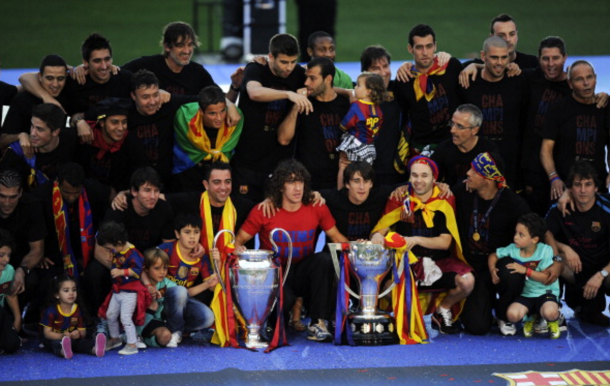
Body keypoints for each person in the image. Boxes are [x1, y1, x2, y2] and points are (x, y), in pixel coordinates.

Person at [235, 159, 348, 342]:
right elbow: (237, 241)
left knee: (324, 260)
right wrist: (236, 250)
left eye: (300, 181)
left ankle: (318, 322)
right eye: (291, 182)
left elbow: (336, 238)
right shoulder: (265, 210)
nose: (297, 188)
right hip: (276, 275)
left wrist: (363, 248)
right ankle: (272, 321)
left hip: (303, 272)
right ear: (280, 186)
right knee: (285, 300)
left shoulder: (316, 206)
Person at [455, 152, 562, 335]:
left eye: (474, 171)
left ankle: (504, 314)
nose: (468, 174)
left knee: (512, 270)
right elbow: (434, 193)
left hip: (500, 261)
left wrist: (557, 260)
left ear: (488, 179)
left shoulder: (512, 202)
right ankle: (488, 304)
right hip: (469, 266)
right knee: (477, 327)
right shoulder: (462, 191)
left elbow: (541, 231)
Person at [371, 156, 474, 334]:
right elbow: (378, 232)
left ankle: (443, 309)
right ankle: (406, 313)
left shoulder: (444, 198)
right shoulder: (399, 197)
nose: (419, 181)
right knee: (386, 286)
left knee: (467, 282)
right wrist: (377, 239)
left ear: (434, 178)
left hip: (439, 262)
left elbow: (445, 242)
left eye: (424, 176)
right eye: (414, 175)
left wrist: (416, 239)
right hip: (407, 263)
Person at [231, 33, 310, 202]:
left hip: (279, 164)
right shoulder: (256, 68)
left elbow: (323, 83)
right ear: (271, 57)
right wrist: (288, 94)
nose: (289, 67)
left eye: (293, 61)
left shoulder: (299, 74)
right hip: (247, 161)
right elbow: (254, 92)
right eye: (283, 62)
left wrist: (348, 92)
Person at [19, 33, 133, 144]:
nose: (104, 66)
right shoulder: (75, 82)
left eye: (107, 59)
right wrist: (47, 98)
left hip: (119, 142)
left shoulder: (125, 79)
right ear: (85, 63)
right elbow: (25, 78)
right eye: (97, 61)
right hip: (85, 144)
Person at [458, 36, 529, 189]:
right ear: (483, 56)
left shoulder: (518, 81)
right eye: (494, 57)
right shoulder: (468, 83)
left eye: (504, 57)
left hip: (511, 168)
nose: (500, 63)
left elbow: (552, 75)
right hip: (476, 169)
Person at [546, 161, 610, 326]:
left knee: (594, 316)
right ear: (570, 188)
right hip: (574, 270)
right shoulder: (559, 209)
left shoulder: (607, 209)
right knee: (552, 258)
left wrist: (601, 274)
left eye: (588, 185)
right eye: (577, 185)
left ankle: (590, 306)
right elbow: (544, 233)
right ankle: (550, 311)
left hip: (603, 271)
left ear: (596, 187)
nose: (583, 190)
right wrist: (564, 248)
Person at [278, 57, 350, 190]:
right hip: (309, 183)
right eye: (307, 77)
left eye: (313, 78)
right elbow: (283, 139)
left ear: (328, 79)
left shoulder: (346, 105)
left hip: (341, 181)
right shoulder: (302, 104)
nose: (306, 82)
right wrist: (296, 105)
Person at [541, 60, 610, 200]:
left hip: (598, 187)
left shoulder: (605, 108)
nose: (586, 83)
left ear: (595, 78)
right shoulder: (558, 109)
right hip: (565, 188)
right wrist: (554, 177)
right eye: (579, 79)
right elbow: (546, 149)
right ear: (570, 84)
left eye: (589, 77)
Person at [122, 22, 241, 101]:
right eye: (180, 46)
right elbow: (117, 75)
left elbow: (222, 103)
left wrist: (235, 87)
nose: (187, 51)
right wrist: (111, 69)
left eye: (190, 45)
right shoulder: (146, 65)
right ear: (167, 47)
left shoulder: (198, 72)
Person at [489, 213, 561, 339]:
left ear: (534, 239)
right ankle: (532, 317)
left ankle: (553, 319)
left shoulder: (545, 250)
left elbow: (545, 279)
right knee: (512, 315)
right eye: (516, 233)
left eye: (521, 235)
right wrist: (492, 269)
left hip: (545, 292)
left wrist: (525, 270)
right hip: (526, 294)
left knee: (550, 312)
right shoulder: (513, 249)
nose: (516, 237)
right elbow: (493, 255)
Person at [394, 24, 464, 153]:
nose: (425, 53)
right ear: (410, 49)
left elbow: (483, 70)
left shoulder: (451, 67)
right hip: (421, 149)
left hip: (454, 144)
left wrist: (476, 65)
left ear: (435, 46)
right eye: (419, 47)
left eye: (429, 46)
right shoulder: (404, 79)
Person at [126, 69, 199, 186]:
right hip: (136, 183)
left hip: (169, 181)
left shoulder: (168, 104)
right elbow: (97, 111)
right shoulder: (125, 111)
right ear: (133, 96)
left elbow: (203, 101)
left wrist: (230, 105)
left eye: (155, 95)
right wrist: (83, 121)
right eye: (145, 97)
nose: (152, 102)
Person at [156, 213, 218, 347]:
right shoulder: (165, 250)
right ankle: (176, 331)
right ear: (177, 234)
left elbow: (212, 287)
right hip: (159, 300)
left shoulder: (202, 258)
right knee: (179, 291)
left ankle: (173, 328)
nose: (192, 237)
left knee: (207, 318)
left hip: (182, 300)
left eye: (196, 232)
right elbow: (146, 272)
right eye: (187, 232)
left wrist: (217, 262)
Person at [173, 86, 243, 192]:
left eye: (222, 111)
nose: (219, 118)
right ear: (201, 112)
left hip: (223, 174)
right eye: (212, 113)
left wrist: (230, 104)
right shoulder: (185, 119)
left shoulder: (235, 118)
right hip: (189, 173)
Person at [76, 97, 149, 193]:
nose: (120, 128)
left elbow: (140, 174)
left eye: (124, 122)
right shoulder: (86, 137)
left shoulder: (131, 143)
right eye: (114, 122)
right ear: (102, 123)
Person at [97, 221, 148, 356]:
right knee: (110, 315)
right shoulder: (118, 251)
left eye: (110, 248)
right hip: (118, 290)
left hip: (130, 292)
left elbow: (138, 270)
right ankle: (115, 339)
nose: (109, 251)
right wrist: (111, 259)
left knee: (126, 317)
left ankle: (132, 344)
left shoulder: (132, 253)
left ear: (119, 242)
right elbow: (115, 261)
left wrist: (122, 272)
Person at [0, 170, 46, 320]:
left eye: (12, 197)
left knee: (30, 279)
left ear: (20, 193)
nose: (7, 203)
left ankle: (17, 321)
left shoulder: (31, 206)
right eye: (2, 196)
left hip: (20, 260)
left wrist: (22, 270)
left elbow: (37, 249)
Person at [358, 46, 406, 185]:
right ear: (365, 72)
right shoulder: (356, 94)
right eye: (376, 68)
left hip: (396, 172)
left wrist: (408, 65)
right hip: (366, 173)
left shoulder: (398, 90)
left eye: (385, 66)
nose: (383, 73)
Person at [1, 103, 76, 190]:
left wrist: (79, 121)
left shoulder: (70, 138)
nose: (32, 133)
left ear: (55, 132)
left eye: (39, 129)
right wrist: (19, 136)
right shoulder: (18, 151)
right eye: (32, 126)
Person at [1, 54, 68, 150]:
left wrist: (78, 120)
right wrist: (21, 136)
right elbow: (2, 140)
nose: (55, 84)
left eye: (60, 78)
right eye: (49, 78)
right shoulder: (22, 101)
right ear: (40, 77)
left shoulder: (70, 93)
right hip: (30, 158)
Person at [336, 72, 386, 189]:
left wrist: (341, 128)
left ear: (368, 91)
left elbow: (345, 124)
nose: (355, 88)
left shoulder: (357, 106)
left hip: (355, 142)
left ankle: (340, 192)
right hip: (369, 146)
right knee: (363, 173)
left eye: (358, 85)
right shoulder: (378, 109)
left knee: (344, 167)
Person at [431, 104, 498, 187]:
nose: (452, 130)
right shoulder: (443, 148)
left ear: (474, 130)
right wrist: (439, 186)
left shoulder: (488, 150)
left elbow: (495, 185)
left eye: (459, 126)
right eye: (452, 124)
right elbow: (431, 178)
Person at [40, 275, 106, 358]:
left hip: (71, 338)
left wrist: (78, 334)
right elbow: (47, 334)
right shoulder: (51, 311)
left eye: (74, 290)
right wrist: (62, 336)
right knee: (54, 343)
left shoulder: (77, 309)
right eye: (66, 290)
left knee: (82, 342)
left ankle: (95, 349)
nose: (71, 293)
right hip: (56, 338)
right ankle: (63, 351)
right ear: (57, 295)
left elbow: (82, 331)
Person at [137, 248, 177, 348]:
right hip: (137, 320)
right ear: (146, 268)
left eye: (165, 268)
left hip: (155, 321)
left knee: (165, 336)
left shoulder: (167, 283)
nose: (162, 272)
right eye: (157, 268)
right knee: (153, 304)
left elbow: (180, 293)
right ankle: (134, 335)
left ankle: (145, 340)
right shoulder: (138, 282)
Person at [0, 230, 21, 354]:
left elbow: (10, 294)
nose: (6, 259)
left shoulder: (9, 270)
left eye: (8, 255)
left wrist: (17, 317)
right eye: (1, 255)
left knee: (12, 345)